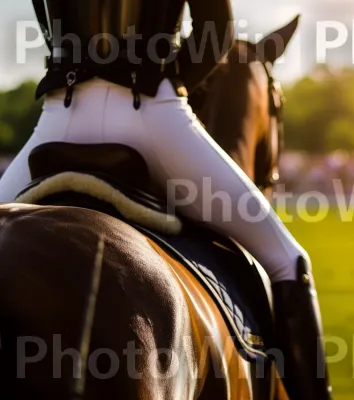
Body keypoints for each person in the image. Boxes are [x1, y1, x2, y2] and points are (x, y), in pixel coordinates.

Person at [0, 1, 331, 398]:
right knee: (288, 261)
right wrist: (169, 80)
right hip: (155, 118)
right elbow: (217, 32)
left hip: (60, 118)